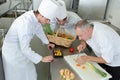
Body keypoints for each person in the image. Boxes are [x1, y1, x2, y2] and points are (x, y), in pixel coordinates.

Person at [2, 0, 61, 80]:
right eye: (47, 20)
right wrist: (42, 58)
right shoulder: (25, 24)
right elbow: (25, 49)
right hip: (13, 53)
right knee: (18, 76)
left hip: (21, 49)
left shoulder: (34, 16)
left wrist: (47, 43)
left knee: (30, 73)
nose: (48, 22)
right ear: (41, 15)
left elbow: (39, 30)